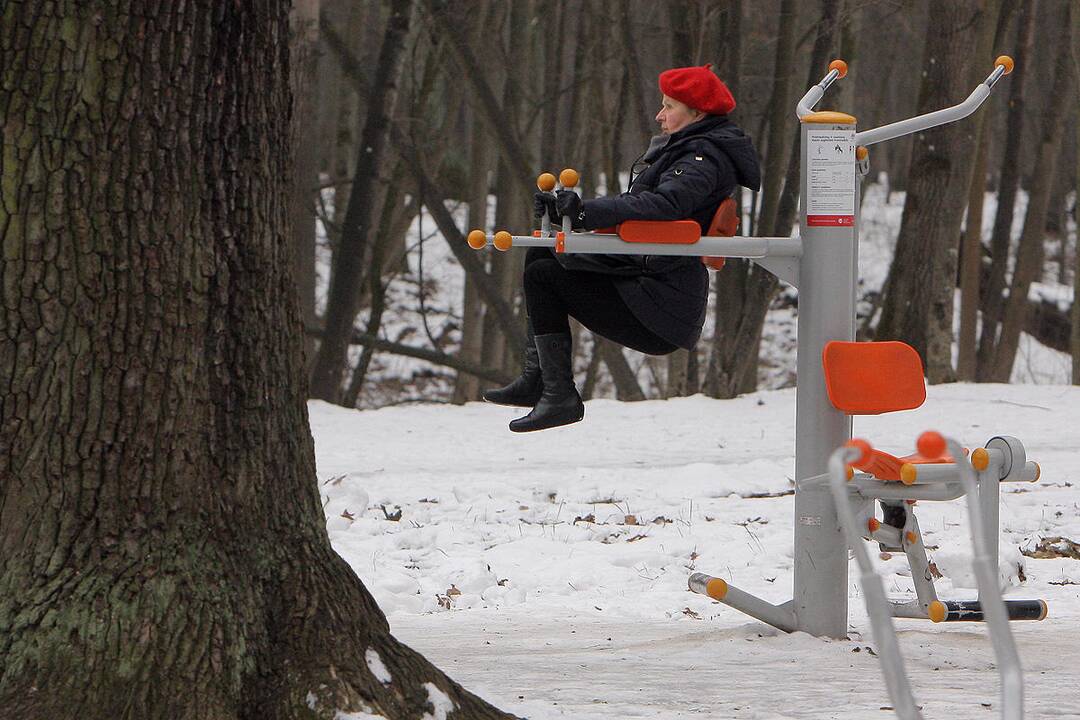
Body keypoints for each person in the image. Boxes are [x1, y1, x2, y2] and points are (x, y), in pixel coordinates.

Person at [484, 64, 762, 432]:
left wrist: (587, 212)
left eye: (669, 107)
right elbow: (641, 204)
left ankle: (559, 394)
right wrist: (567, 212)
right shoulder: (686, 150)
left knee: (543, 273)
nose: (660, 116)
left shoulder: (702, 158)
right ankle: (541, 379)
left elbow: (665, 206)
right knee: (543, 251)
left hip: (660, 305)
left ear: (696, 113)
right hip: (644, 280)